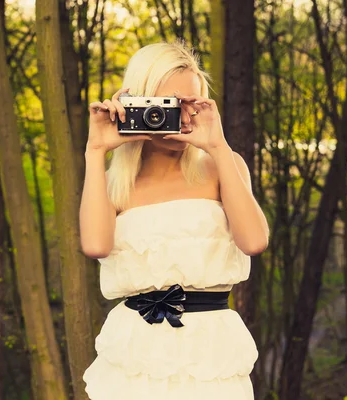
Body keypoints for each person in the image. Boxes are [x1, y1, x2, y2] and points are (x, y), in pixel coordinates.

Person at [79, 41, 269, 399]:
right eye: (166, 105)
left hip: (210, 349)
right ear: (138, 103)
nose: (181, 118)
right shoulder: (114, 183)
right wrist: (95, 151)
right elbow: (95, 245)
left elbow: (254, 241)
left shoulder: (221, 166)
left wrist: (217, 145)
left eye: (189, 105)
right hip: (135, 349)